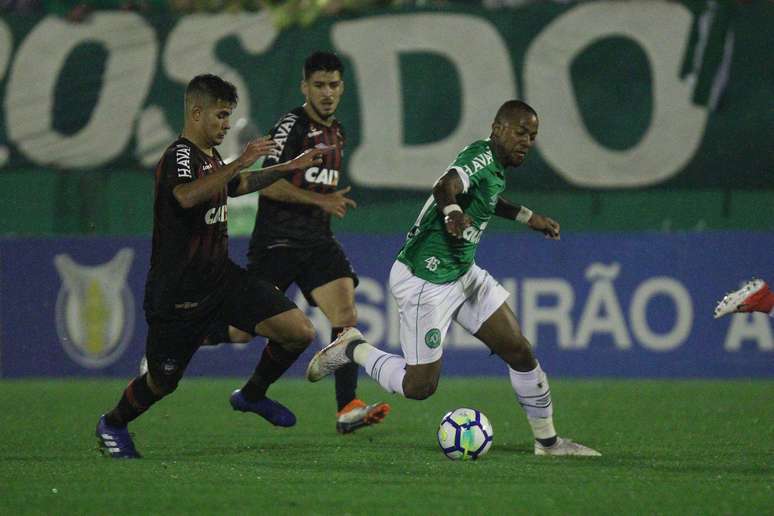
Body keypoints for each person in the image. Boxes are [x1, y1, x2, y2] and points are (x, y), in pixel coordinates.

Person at [306, 100, 601, 456]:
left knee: (519, 351)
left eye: (533, 136)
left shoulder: (495, 168)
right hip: (424, 279)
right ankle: (354, 348)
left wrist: (529, 216)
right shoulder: (480, 155)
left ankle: (548, 443)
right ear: (497, 129)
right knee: (419, 386)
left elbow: (490, 198)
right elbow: (444, 186)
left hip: (463, 272)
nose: (527, 141)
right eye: (520, 132)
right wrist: (452, 212)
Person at [96, 74, 331, 458]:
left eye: (229, 116)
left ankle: (252, 395)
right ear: (196, 111)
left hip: (222, 279)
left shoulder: (210, 157)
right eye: (221, 116)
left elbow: (235, 186)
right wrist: (241, 159)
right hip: (178, 295)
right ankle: (113, 422)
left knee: (298, 331)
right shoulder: (180, 156)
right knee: (161, 383)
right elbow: (186, 197)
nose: (226, 124)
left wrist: (290, 165)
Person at [207, 51, 390, 434]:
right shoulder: (291, 125)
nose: (327, 93)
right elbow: (267, 181)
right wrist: (320, 199)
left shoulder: (338, 131)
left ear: (343, 87)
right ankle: (191, 346)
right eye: (319, 85)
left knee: (346, 318)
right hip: (276, 244)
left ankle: (347, 408)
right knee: (242, 331)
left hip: (318, 243)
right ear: (304, 87)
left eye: (334, 85)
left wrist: (325, 201)